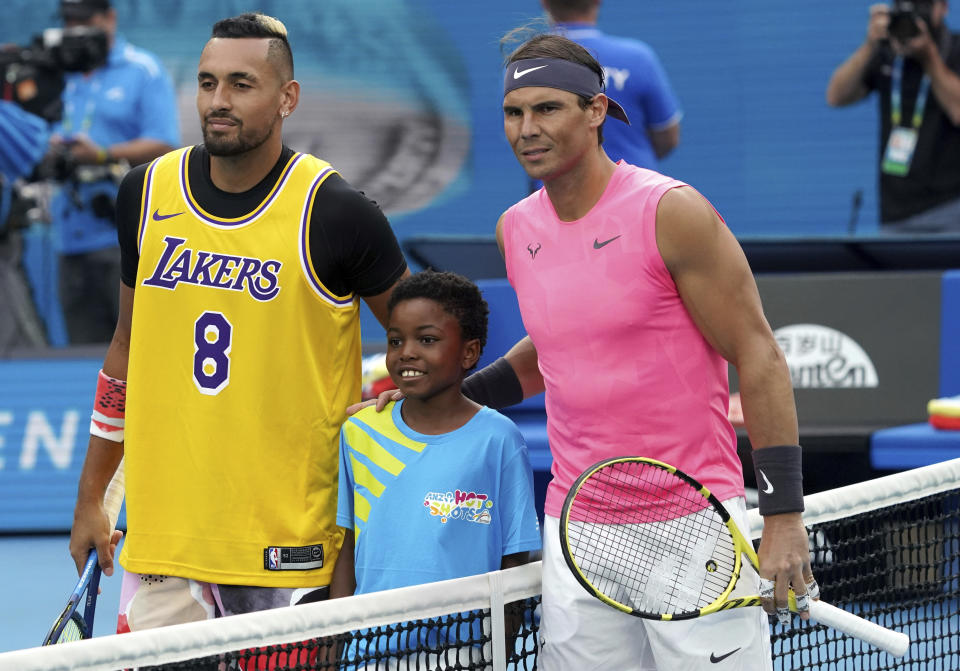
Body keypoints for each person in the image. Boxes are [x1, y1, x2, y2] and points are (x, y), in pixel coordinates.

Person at [67, 11, 409, 633]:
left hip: (289, 547)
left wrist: (387, 401)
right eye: (206, 82)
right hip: (165, 544)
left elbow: (422, 338)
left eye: (241, 85)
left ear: (287, 98)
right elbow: (125, 346)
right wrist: (91, 497)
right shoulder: (144, 193)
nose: (217, 102)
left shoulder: (337, 212)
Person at [331, 269, 541, 667]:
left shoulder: (500, 440)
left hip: (466, 654)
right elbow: (346, 548)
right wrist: (334, 638)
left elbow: (515, 561)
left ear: (469, 352)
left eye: (426, 340)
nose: (406, 352)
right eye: (396, 340)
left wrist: (501, 653)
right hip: (367, 653)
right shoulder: (359, 432)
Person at [48, 0, 179, 343]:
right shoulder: (61, 71)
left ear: (110, 18)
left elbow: (165, 145)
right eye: (68, 20)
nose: (75, 28)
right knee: (83, 355)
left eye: (84, 19)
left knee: (134, 347)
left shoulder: (143, 70)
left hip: (123, 237)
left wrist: (103, 154)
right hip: (69, 235)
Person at [826, 0, 960, 233]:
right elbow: (836, 96)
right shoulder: (887, 52)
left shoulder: (955, 49)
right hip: (895, 211)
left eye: (924, 4)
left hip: (950, 207)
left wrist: (929, 57)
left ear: (944, 7)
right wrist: (869, 45)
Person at [540, 0, 681, 171]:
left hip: (556, 191)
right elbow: (668, 138)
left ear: (544, 2)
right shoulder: (637, 58)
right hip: (634, 190)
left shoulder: (526, 63)